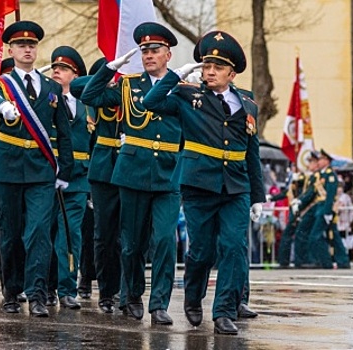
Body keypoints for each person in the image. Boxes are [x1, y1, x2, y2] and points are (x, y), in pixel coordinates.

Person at [143, 30, 265, 335]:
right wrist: (174, 76)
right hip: (200, 185)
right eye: (206, 66)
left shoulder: (247, 104)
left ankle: (223, 311)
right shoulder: (187, 95)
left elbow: (252, 153)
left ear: (231, 73)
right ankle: (193, 296)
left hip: (236, 187)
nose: (209, 72)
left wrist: (259, 196)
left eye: (217, 67)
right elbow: (150, 102)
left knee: (235, 247)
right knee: (201, 251)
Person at [81, 22, 180, 325]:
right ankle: (132, 295)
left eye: (155, 50)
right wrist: (110, 68)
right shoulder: (128, 85)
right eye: (145, 50)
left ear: (168, 55)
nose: (149, 55)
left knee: (164, 240)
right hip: (133, 171)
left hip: (167, 173)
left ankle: (159, 302)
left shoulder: (182, 89)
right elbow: (89, 95)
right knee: (131, 242)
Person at [0, 21, 73, 317]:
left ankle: (37, 294)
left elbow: (63, 131)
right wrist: (2, 108)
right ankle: (11, 291)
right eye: (21, 45)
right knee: (10, 234)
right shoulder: (2, 84)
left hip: (40, 169)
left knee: (38, 232)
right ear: (11, 50)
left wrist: (65, 171)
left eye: (32, 45)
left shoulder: (51, 87)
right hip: (8, 168)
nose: (27, 49)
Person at [72, 57, 123, 313]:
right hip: (102, 171)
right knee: (101, 235)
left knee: (128, 237)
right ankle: (104, 288)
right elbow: (77, 86)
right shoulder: (98, 95)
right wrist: (108, 73)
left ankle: (124, 288)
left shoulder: (133, 91)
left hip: (129, 168)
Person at [48, 45, 91, 310]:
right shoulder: (45, 101)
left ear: (75, 75)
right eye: (54, 67)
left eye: (63, 69)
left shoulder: (88, 105)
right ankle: (44, 287)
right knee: (42, 234)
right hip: (49, 176)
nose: (56, 71)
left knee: (69, 235)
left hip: (78, 179)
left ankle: (66, 288)